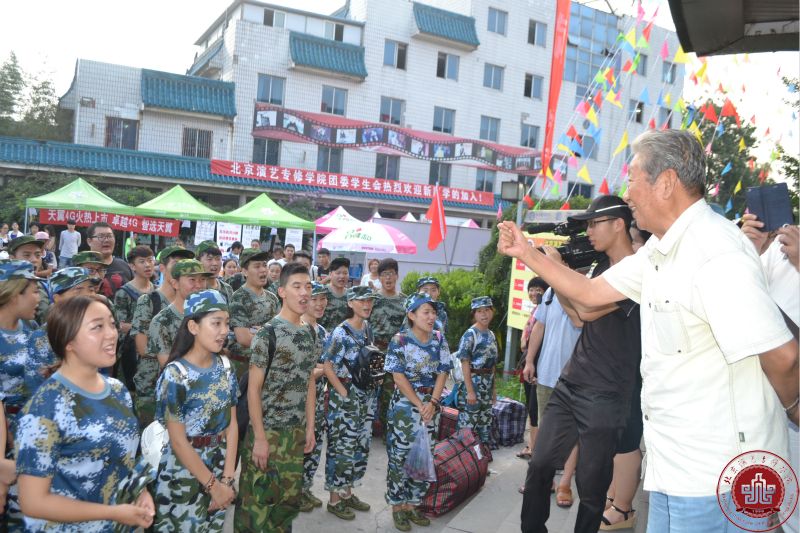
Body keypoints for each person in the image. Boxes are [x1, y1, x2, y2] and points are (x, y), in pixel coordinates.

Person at [499, 129, 798, 531]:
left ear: (667, 182)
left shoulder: (715, 252)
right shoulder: (660, 250)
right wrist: (527, 252)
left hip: (720, 479)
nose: (629, 193)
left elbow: (783, 357)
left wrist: (794, 410)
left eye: (634, 178)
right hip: (675, 471)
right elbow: (588, 294)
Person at [519, 195, 642, 533]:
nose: (588, 231)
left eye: (593, 223)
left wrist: (553, 267)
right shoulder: (600, 267)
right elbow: (576, 316)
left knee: (591, 485)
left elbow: (586, 309)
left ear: (618, 224)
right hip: (571, 382)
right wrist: (558, 278)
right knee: (540, 462)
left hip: (607, 393)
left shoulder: (636, 270)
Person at [15, 295, 155, 531]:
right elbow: (33, 502)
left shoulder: (118, 391)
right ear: (68, 341)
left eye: (111, 324)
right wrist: (113, 513)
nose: (111, 333)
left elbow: (125, 455)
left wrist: (140, 490)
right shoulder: (46, 406)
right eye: (97, 327)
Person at [235, 263, 318, 532]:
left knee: (284, 510)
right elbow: (254, 391)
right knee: (255, 511)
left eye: (308, 286)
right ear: (282, 291)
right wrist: (259, 437)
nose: (304, 293)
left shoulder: (310, 332)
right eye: (297, 286)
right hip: (267, 434)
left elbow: (308, 383)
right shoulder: (268, 335)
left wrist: (310, 426)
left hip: (294, 435)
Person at [153, 290, 238, 531]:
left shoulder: (225, 367)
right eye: (216, 323)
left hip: (220, 463)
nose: (224, 331)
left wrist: (227, 480)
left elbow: (231, 426)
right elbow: (178, 441)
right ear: (193, 327)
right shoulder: (175, 375)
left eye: (227, 323)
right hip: (183, 471)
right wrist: (214, 487)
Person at [384, 292, 451, 531]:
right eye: (426, 312)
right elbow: (397, 376)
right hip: (405, 407)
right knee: (399, 458)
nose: (431, 316)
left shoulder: (439, 339)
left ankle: (413, 504)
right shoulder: (400, 340)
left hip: (431, 406)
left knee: (423, 456)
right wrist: (418, 403)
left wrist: (432, 402)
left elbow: (444, 370)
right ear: (411, 315)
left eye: (433, 312)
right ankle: (397, 506)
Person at [0, 260, 55, 528]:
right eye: (33, 290)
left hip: (33, 435)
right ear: (14, 293)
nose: (39, 297)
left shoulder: (33, 330)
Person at [322, 285, 378, 520]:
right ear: (350, 303)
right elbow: (327, 365)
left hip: (365, 395)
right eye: (362, 301)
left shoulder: (367, 328)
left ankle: (347, 492)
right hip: (345, 396)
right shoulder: (340, 332)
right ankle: (334, 500)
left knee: (359, 445)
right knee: (341, 448)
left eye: (370, 301)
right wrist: (343, 392)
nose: (367, 305)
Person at [130, 246, 194, 427]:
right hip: (152, 385)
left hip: (185, 387)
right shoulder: (150, 301)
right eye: (176, 263)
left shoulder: (192, 305)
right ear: (163, 268)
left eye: (186, 264)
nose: (182, 268)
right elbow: (142, 347)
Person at [148, 259, 214, 368]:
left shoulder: (210, 315)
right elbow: (168, 366)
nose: (198, 285)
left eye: (202, 279)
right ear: (175, 284)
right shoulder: (162, 321)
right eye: (192, 280)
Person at [299, 281, 330, 513]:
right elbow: (304, 373)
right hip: (299, 402)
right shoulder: (298, 330)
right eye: (314, 299)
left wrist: (320, 369)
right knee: (300, 445)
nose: (319, 304)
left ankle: (305, 488)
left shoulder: (323, 332)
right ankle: (295, 491)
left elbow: (325, 367)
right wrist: (322, 369)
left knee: (314, 444)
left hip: (319, 399)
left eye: (323, 299)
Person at [368, 258, 407, 436]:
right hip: (375, 352)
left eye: (391, 274)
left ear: (397, 276)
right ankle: (366, 428)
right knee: (371, 390)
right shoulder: (372, 299)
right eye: (384, 274)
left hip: (394, 354)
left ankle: (385, 429)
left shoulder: (405, 302)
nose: (388, 278)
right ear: (379, 277)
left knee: (389, 394)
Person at [228, 247, 279, 379]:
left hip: (271, 364)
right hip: (246, 366)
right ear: (244, 271)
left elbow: (282, 330)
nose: (263, 270)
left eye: (264, 265)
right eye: (257, 266)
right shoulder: (239, 298)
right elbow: (244, 338)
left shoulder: (272, 298)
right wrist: (271, 336)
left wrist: (259, 332)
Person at [456, 296, 498, 447]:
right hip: (473, 382)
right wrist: (469, 391)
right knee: (468, 423)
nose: (484, 314)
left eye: (487, 310)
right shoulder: (470, 334)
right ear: (474, 314)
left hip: (487, 384)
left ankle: (481, 459)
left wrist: (493, 390)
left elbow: (493, 365)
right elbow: (465, 363)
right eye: (479, 311)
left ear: (492, 312)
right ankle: (464, 458)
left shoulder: (491, 334)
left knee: (484, 423)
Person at [113, 245, 155, 392]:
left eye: (150, 260)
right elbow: (120, 325)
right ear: (132, 266)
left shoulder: (156, 291)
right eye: (142, 261)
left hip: (153, 352)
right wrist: (147, 328)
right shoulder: (124, 293)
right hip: (130, 352)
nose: (148, 265)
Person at [517, 277, 549, 460]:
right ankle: (532, 445)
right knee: (532, 408)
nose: (534, 293)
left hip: (538, 368)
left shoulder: (545, 311)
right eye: (531, 289)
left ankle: (535, 449)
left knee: (536, 409)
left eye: (539, 289)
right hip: (531, 365)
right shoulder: (537, 310)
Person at [7, 235, 50, 325]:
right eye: (27, 255)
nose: (34, 260)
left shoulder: (45, 287)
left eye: (38, 255)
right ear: (12, 258)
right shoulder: (4, 289)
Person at [86, 222, 133, 299]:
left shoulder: (124, 266)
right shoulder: (82, 269)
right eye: (101, 236)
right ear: (89, 241)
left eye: (110, 236)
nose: (106, 240)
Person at [319, 257, 350, 331]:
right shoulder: (321, 293)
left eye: (345, 273)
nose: (342, 276)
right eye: (338, 273)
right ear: (330, 274)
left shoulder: (351, 296)